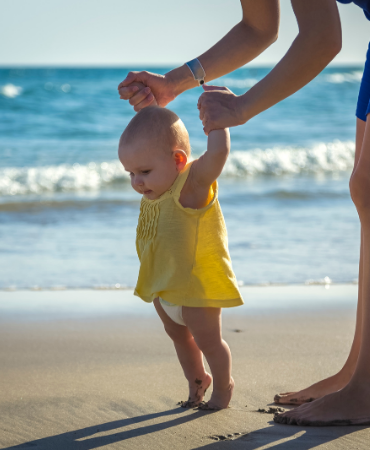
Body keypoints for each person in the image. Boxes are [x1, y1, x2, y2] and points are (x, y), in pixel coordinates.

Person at [118, 0, 370, 427]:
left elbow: (322, 39)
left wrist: (241, 108)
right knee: (368, 191)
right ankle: (359, 373)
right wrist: (173, 82)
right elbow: (260, 27)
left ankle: (369, 390)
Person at [118, 104, 243, 410]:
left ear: (178, 160)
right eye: (131, 173)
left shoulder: (190, 187)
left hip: (196, 291)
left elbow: (217, 156)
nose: (137, 181)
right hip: (164, 289)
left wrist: (218, 123)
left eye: (144, 172)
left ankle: (224, 385)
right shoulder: (154, 193)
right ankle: (197, 379)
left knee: (209, 343)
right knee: (179, 338)